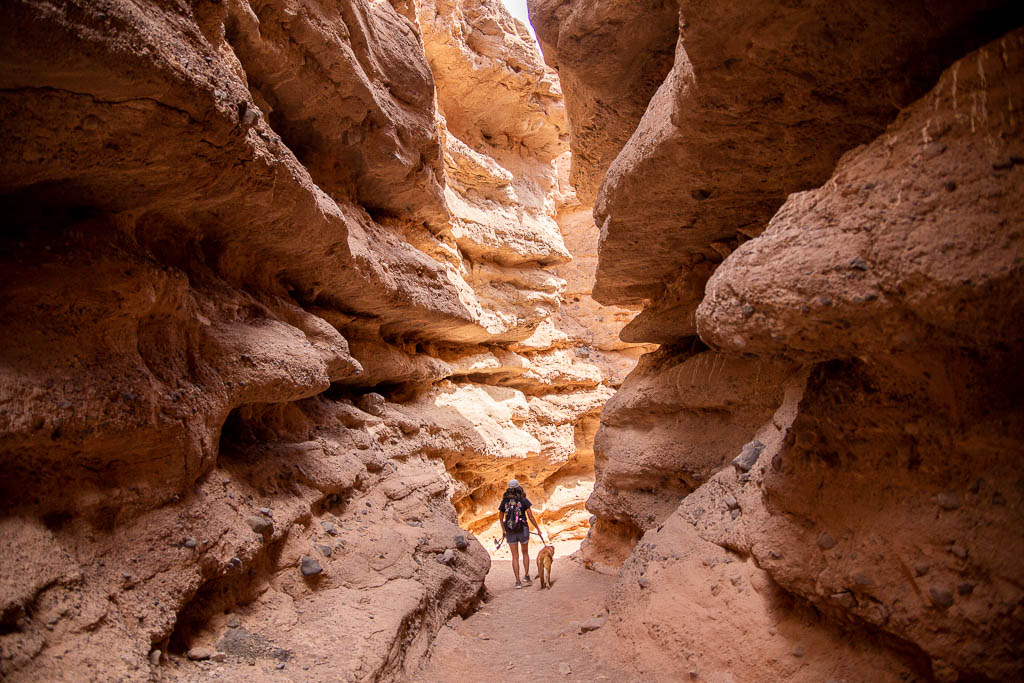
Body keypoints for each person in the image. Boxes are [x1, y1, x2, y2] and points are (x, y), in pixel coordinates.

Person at [498, 479, 544, 589]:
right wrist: (537, 528)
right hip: (523, 529)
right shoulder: (523, 500)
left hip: (510, 531)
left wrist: (503, 530)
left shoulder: (504, 502)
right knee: (525, 553)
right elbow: (530, 516)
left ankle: (518, 581)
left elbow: (500, 518)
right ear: (519, 487)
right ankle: (527, 576)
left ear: (508, 489)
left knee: (514, 556)